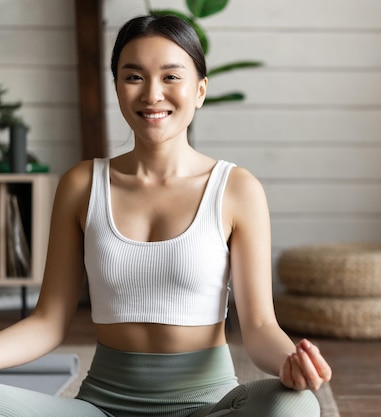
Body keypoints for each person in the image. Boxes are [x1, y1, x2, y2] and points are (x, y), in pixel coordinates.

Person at [0, 14, 331, 417]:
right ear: (118, 88)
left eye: (171, 77)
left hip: (207, 407)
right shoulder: (82, 184)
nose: (152, 94)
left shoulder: (237, 189)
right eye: (134, 77)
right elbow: (48, 322)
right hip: (102, 408)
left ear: (200, 90)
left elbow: (260, 326)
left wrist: (290, 363)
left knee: (296, 407)